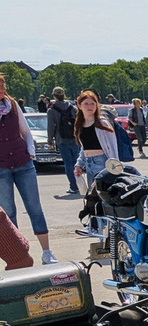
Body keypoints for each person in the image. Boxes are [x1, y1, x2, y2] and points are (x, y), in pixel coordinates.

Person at [0, 72, 57, 264]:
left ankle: (47, 252)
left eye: (3, 85)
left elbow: (26, 132)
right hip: (1, 167)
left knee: (34, 208)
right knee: (8, 213)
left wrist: (31, 152)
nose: (2, 89)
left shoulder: (13, 105)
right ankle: (18, 256)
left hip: (23, 163)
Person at [71, 90, 119, 186]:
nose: (90, 106)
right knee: (92, 193)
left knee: (102, 191)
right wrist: (79, 164)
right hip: (88, 163)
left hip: (102, 162)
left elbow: (112, 146)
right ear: (79, 106)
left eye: (93, 103)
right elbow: (84, 147)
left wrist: (114, 166)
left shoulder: (102, 123)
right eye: (86, 104)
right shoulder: (80, 124)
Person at [46, 86, 80, 194]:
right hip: (74, 138)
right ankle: (80, 185)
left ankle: (73, 186)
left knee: (68, 164)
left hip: (61, 139)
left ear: (54, 96)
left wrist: (50, 140)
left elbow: (51, 127)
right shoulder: (72, 108)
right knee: (77, 163)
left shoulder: (52, 110)